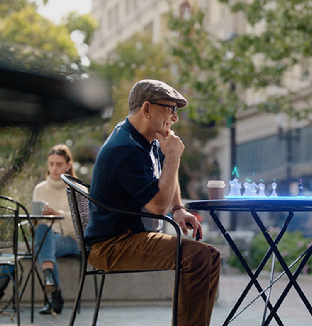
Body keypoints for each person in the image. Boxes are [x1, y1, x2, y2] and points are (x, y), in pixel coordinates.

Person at [84, 79, 220, 326]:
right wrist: (174, 157)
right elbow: (157, 206)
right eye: (170, 109)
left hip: (133, 236)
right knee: (197, 257)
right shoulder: (124, 148)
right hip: (112, 244)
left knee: (211, 255)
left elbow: (165, 181)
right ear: (147, 109)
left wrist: (178, 209)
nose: (175, 118)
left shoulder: (145, 139)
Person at [32, 144, 80, 314]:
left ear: (68, 165)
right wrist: (39, 217)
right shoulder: (40, 189)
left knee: (45, 240)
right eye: (51, 164)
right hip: (49, 237)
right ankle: (53, 288)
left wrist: (57, 214)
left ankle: (53, 291)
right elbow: (35, 225)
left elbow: (82, 225)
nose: (54, 168)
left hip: (74, 240)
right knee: (44, 231)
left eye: (58, 164)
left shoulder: (76, 189)